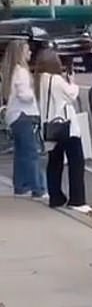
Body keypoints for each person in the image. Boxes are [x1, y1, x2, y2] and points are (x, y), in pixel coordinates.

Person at [35, 49, 91, 213]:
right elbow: (71, 94)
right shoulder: (56, 79)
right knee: (76, 161)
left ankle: (56, 196)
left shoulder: (40, 80)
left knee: (54, 162)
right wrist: (72, 82)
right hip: (66, 126)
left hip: (50, 126)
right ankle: (77, 199)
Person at [0, 40, 46, 198]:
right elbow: (24, 95)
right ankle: (38, 187)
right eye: (27, 50)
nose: (30, 53)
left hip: (14, 116)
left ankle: (20, 185)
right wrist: (34, 91)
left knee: (20, 153)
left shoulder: (12, 71)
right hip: (24, 115)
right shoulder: (22, 72)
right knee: (31, 153)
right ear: (20, 53)